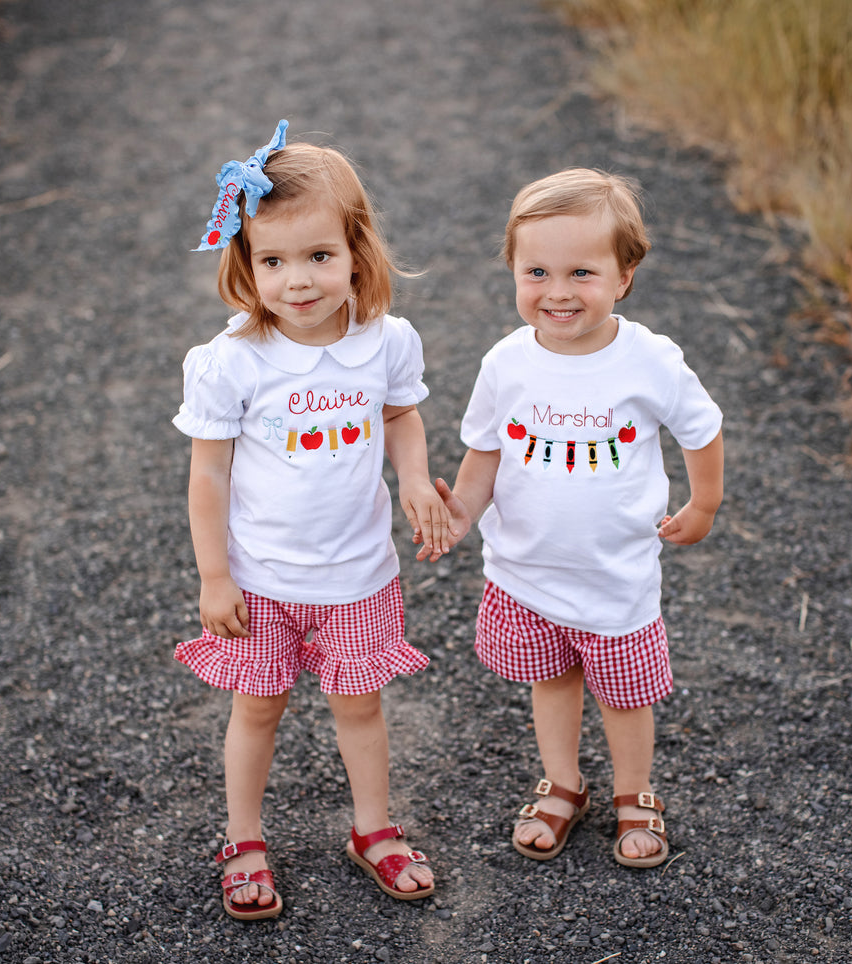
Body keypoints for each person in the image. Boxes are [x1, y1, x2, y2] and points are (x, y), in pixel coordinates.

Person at [174, 121, 449, 920]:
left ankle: (373, 828)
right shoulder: (232, 361)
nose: (298, 280)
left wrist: (411, 483)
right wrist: (215, 574)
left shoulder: (384, 341)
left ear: (355, 253)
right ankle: (243, 837)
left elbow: (401, 417)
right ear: (246, 264)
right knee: (257, 706)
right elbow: (209, 472)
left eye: (319, 257)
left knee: (359, 704)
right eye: (273, 261)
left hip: (357, 573)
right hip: (261, 576)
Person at [428, 168, 724, 868]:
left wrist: (703, 501)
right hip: (526, 571)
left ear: (624, 275)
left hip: (613, 575)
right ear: (512, 270)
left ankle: (633, 793)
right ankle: (563, 783)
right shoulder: (506, 362)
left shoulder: (647, 359)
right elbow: (485, 453)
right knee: (551, 681)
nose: (557, 292)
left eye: (581, 273)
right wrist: (461, 511)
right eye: (536, 271)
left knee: (623, 695)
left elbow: (700, 429)